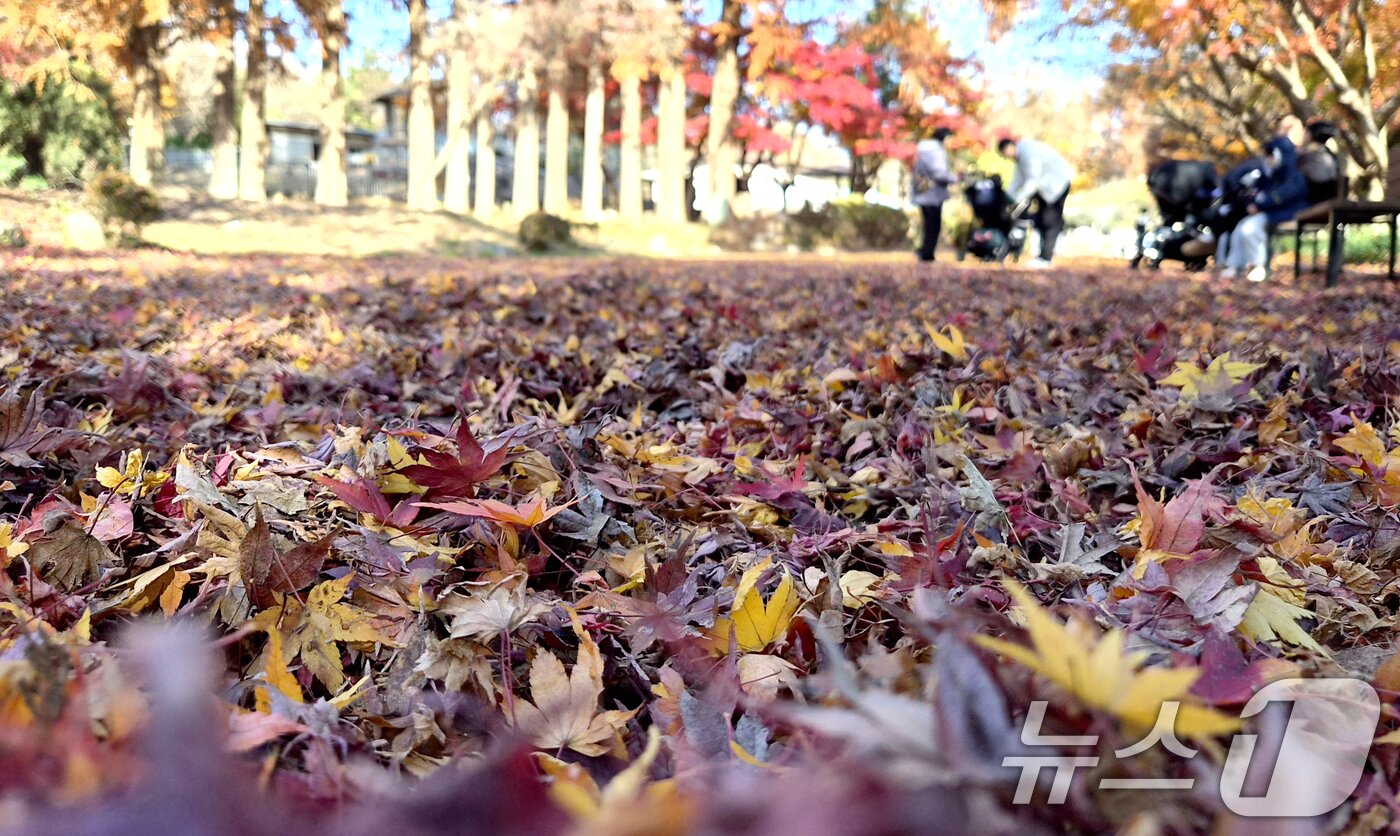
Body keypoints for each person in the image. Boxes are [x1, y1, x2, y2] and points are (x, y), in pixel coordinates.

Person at [1221, 117, 1310, 281]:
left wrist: (1260, 204)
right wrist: (1253, 203)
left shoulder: (1293, 176)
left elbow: (1282, 195)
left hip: (1287, 213)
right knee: (1240, 229)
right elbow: (1260, 193)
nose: (1268, 159)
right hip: (1271, 212)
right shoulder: (1273, 175)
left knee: (1249, 229)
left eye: (1271, 155)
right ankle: (1235, 265)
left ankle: (1258, 266)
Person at [998, 137, 1075, 268]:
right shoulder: (1020, 157)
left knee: (1050, 221)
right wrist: (1008, 197)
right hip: (1045, 189)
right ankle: (1043, 255)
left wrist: (1018, 199)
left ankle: (1046, 258)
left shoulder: (1028, 152)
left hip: (1057, 186)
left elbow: (1032, 180)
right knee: (1041, 220)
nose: (1007, 157)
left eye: (1006, 153)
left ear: (1010, 147)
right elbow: (1018, 179)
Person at [912, 127, 957, 262]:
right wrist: (954, 178)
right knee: (933, 225)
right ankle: (927, 254)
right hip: (932, 194)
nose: (951, 142)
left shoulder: (925, 150)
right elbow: (939, 174)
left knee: (928, 225)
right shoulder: (935, 152)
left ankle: (924, 251)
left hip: (924, 193)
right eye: (950, 139)